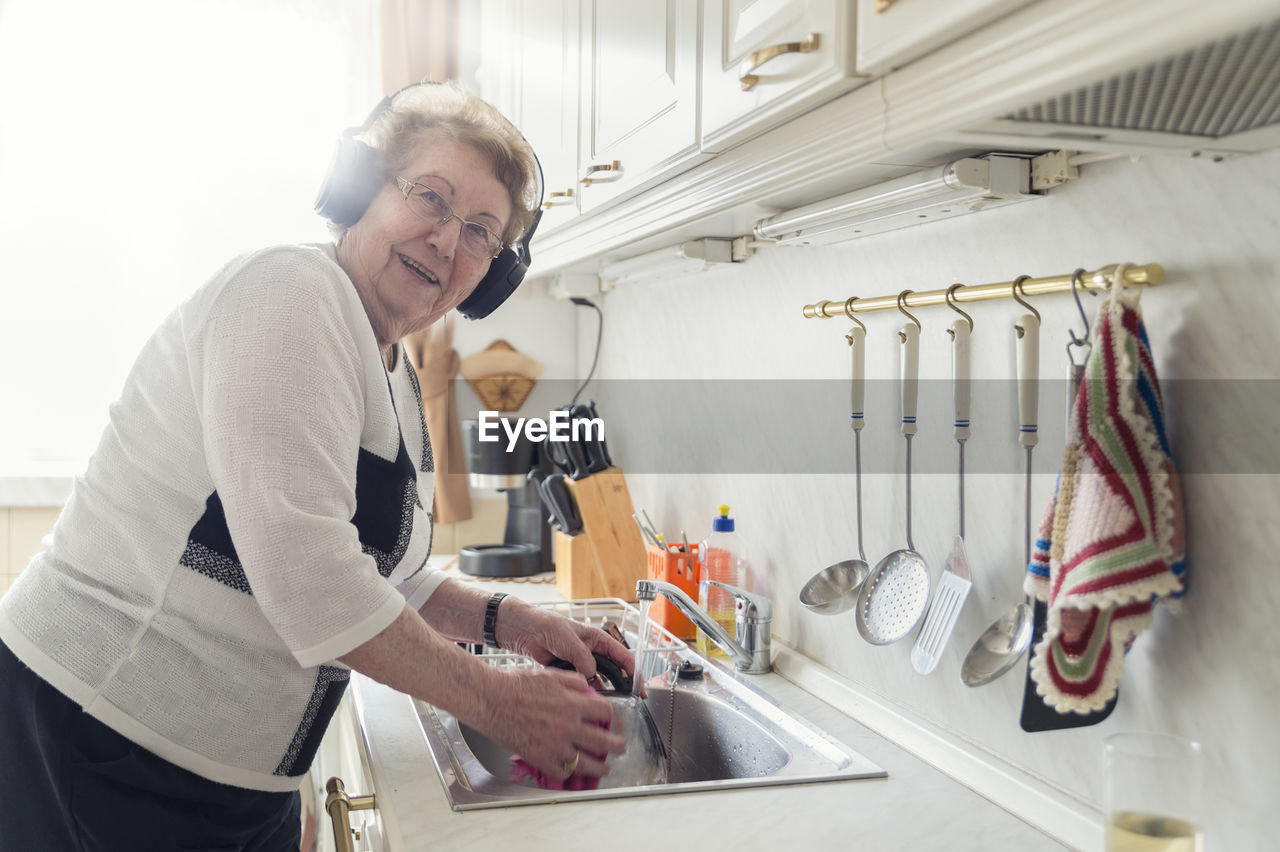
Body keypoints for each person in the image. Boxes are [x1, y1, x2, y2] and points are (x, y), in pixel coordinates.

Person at [0, 81, 631, 851]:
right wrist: (499, 701)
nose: (445, 241)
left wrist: (508, 619)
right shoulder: (287, 295)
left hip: (226, 775)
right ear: (360, 189)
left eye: (479, 233)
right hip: (103, 735)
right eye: (430, 197)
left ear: (489, 275)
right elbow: (312, 580)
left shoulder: (389, 361)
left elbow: (375, 569)